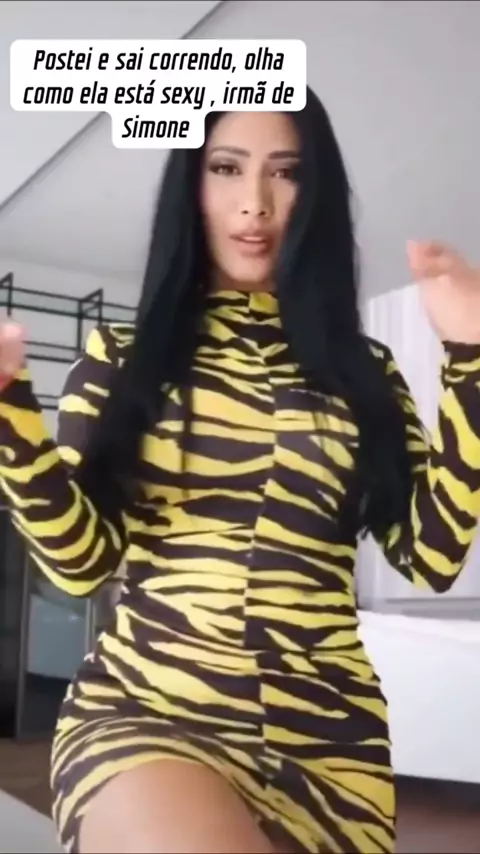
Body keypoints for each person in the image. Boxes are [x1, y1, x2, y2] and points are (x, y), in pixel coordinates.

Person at [0, 87, 480, 854]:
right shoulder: (122, 357)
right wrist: (8, 414)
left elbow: (432, 555)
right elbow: (80, 562)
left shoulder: (368, 373)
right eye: (226, 167)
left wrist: (471, 361)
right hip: (152, 710)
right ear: (191, 186)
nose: (255, 202)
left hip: (332, 740)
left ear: (315, 194)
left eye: (285, 172)